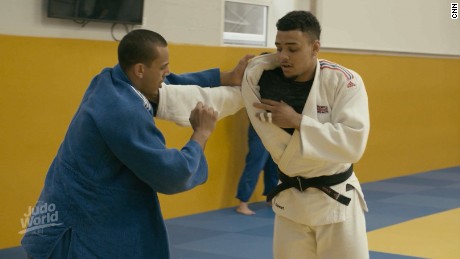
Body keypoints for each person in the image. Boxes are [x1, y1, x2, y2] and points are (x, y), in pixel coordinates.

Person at [156, 10, 370, 259]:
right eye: (279, 47)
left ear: (315, 47)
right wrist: (156, 99)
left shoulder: (344, 82)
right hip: (291, 201)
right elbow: (217, 98)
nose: (283, 56)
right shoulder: (261, 79)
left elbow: (353, 143)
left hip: (336, 202)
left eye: (292, 48)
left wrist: (297, 120)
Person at [21, 29, 250, 259]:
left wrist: (227, 77)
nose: (167, 72)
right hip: (75, 231)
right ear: (140, 69)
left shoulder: (109, 79)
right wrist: (201, 133)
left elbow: (170, 82)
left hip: (61, 210)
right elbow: (171, 174)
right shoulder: (123, 111)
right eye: (163, 67)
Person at [235, 122, 278, 215]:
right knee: (255, 165)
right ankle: (242, 203)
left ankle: (271, 198)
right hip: (260, 128)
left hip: (274, 129)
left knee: (273, 165)